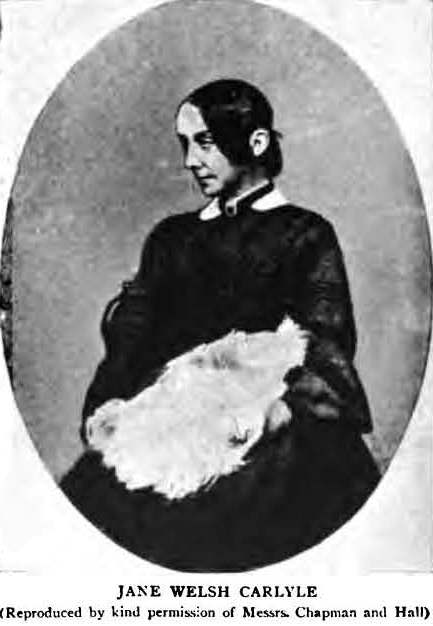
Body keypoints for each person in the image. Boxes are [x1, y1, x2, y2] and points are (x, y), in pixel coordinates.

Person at [61, 79, 379, 571]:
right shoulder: (171, 238)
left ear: (257, 141)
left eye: (205, 142)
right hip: (166, 427)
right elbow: (131, 339)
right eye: (185, 144)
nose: (191, 160)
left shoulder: (305, 233)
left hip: (267, 432)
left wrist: (274, 416)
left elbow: (326, 339)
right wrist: (110, 403)